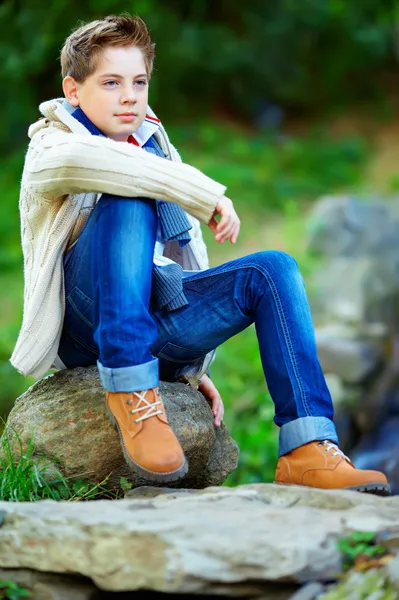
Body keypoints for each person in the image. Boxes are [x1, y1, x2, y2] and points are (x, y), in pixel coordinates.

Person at [11, 14, 390, 495]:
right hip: (86, 325)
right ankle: (130, 389)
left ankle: (308, 448)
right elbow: (109, 167)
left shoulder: (155, 148)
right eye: (111, 82)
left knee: (272, 270)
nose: (129, 95)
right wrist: (205, 194)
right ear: (73, 90)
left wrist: (193, 367)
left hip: (156, 319)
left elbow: (185, 262)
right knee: (128, 192)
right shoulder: (51, 144)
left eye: (139, 81)